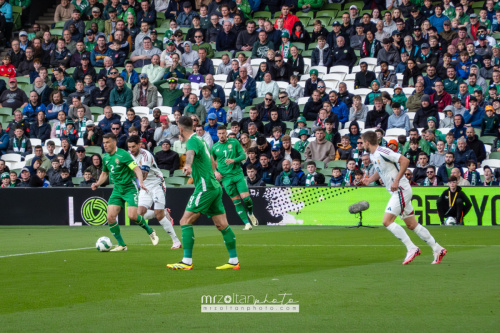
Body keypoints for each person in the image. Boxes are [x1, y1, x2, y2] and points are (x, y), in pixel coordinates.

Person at [361, 131, 447, 264]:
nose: (360, 144)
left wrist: (396, 180)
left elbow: (404, 160)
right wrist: (368, 180)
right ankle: (437, 248)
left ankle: (411, 248)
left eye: (361, 142)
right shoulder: (374, 156)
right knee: (412, 224)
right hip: (397, 191)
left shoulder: (382, 151)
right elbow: (381, 170)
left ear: (367, 142)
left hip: (400, 189)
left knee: (387, 221)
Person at [167, 116, 239, 270]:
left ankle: (186, 261)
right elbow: (212, 161)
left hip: (206, 187)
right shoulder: (201, 140)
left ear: (180, 129)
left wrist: (187, 165)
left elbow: (191, 154)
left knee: (185, 221)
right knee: (221, 225)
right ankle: (234, 260)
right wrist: (213, 174)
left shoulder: (192, 141)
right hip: (214, 185)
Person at [91, 133, 157, 251]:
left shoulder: (124, 155)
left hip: (129, 188)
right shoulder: (105, 157)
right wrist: (97, 183)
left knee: (132, 216)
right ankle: (122, 245)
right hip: (117, 190)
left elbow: (136, 169)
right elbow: (104, 173)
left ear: (114, 142)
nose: (105, 145)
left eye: (107, 142)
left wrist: (140, 182)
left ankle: (150, 231)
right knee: (110, 217)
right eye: (104, 142)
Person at [127, 135, 181, 249]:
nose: (131, 149)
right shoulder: (129, 155)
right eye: (129, 147)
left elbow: (144, 174)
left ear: (139, 144)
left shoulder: (146, 155)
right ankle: (163, 212)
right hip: (144, 186)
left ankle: (176, 241)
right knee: (139, 214)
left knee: (159, 216)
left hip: (157, 184)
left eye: (133, 147)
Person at [212, 125, 258, 230]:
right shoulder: (214, 147)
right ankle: (247, 223)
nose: (221, 135)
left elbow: (243, 156)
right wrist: (215, 172)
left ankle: (250, 213)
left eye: (223, 133)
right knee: (236, 201)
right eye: (219, 133)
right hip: (226, 178)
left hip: (237, 175)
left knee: (246, 198)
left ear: (226, 133)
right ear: (217, 134)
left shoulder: (234, 142)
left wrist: (234, 160)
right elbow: (212, 162)